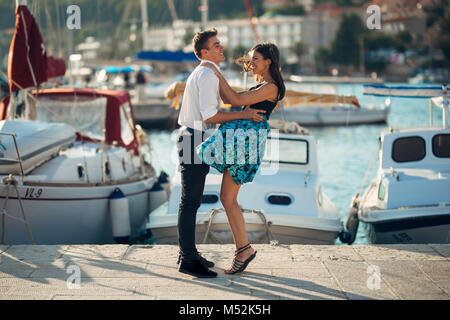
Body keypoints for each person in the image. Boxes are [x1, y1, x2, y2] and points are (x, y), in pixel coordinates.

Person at [176, 29, 266, 278]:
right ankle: (187, 260)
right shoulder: (206, 75)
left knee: (190, 201)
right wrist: (246, 114)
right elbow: (210, 116)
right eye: (216, 45)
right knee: (190, 201)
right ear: (204, 52)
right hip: (193, 137)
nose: (221, 48)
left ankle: (189, 254)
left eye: (220, 44)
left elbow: (224, 103)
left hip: (194, 137)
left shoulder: (206, 72)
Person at [196, 42, 286, 274]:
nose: (252, 62)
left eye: (256, 58)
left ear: (268, 61)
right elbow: (234, 102)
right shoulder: (263, 85)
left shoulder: (271, 87)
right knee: (226, 197)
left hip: (245, 142)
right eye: (251, 58)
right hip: (241, 140)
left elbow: (233, 100)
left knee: (227, 197)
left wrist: (216, 73)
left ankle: (244, 249)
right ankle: (243, 249)